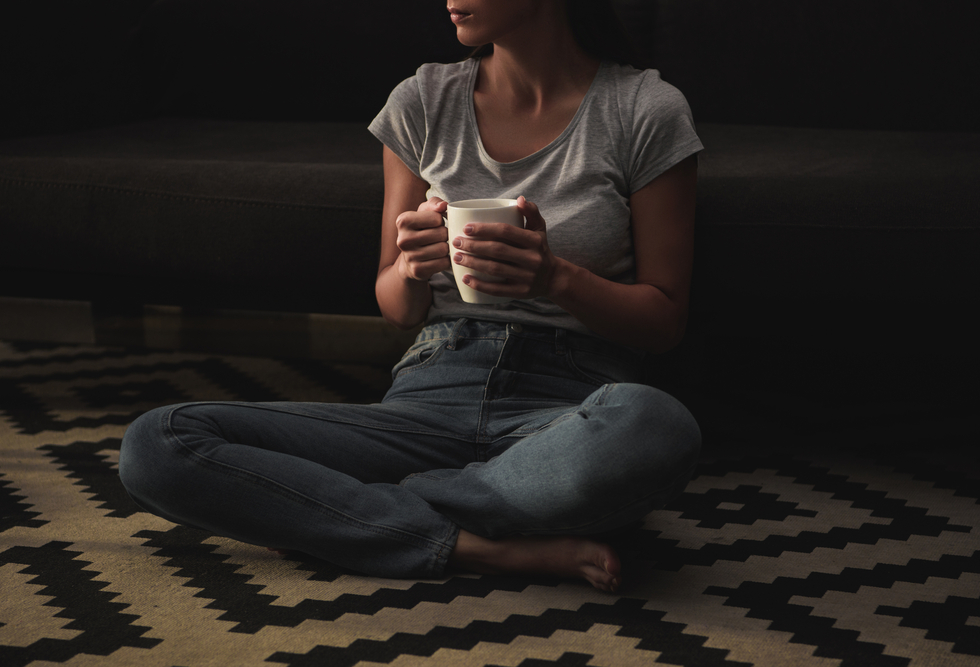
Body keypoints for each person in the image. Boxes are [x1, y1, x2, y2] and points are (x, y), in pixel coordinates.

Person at [118, 0, 703, 594]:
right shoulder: (423, 100)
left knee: (657, 425)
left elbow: (664, 320)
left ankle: (352, 513)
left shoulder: (644, 108)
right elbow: (397, 308)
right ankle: (483, 546)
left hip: (566, 411)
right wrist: (412, 267)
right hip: (426, 398)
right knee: (158, 442)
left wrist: (555, 279)